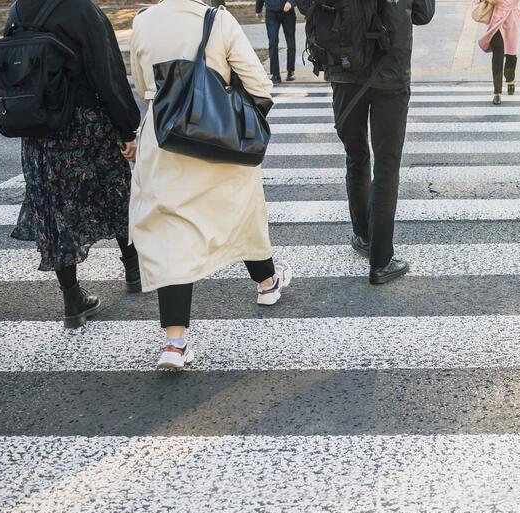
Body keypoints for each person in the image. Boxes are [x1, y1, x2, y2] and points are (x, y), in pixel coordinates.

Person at [130, 0, 291, 370]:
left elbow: (144, 87)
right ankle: (267, 282)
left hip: (165, 138)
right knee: (241, 213)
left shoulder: (143, 22)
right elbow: (260, 86)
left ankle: (175, 343)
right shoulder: (217, 20)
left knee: (170, 234)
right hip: (216, 138)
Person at [7, 0, 142, 329]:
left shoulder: (18, 10)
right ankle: (135, 271)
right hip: (85, 124)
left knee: (55, 211)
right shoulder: (82, 10)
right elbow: (107, 73)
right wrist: (126, 128)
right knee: (115, 192)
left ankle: (72, 300)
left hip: (39, 132)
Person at [298, 0, 435, 284]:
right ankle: (381, 262)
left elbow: (306, 7)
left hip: (344, 69)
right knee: (386, 167)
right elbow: (423, 14)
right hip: (391, 74)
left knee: (356, 156)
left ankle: (362, 235)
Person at [477, 0, 520, 105]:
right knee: (498, 52)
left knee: (511, 53)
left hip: (513, 18)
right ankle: (497, 92)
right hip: (495, 19)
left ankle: (510, 79)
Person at [255, 0, 296, 83]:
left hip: (288, 11)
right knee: (272, 43)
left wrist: (291, 2)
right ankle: (275, 74)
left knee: (291, 43)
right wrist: (258, 9)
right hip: (271, 12)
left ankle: (290, 71)